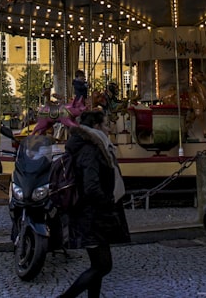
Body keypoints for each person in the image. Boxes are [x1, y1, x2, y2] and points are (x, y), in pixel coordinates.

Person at [59, 110, 129, 298]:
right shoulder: (91, 149)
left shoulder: (90, 145)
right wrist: (106, 201)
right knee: (104, 266)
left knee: (97, 265)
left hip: (92, 213)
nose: (109, 129)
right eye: (106, 125)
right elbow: (91, 185)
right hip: (93, 215)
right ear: (97, 127)